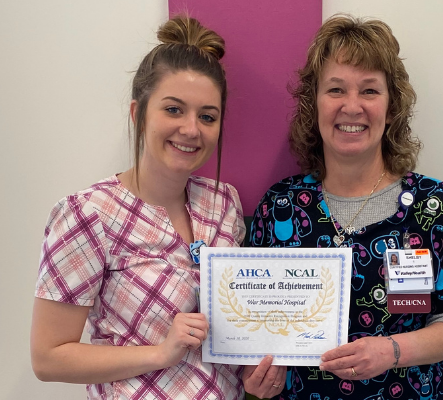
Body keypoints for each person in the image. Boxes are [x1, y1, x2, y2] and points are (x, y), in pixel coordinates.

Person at [31, 16, 285, 400]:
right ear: (138, 114)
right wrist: (159, 353)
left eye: (207, 116)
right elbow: (48, 358)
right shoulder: (89, 214)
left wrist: (253, 374)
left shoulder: (223, 204)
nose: (191, 129)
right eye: (173, 110)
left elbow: (235, 328)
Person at [249, 15, 443, 399]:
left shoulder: (436, 206)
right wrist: (256, 374)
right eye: (336, 89)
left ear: (392, 106)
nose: (352, 106)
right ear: (314, 103)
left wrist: (392, 351)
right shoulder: (282, 206)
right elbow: (252, 324)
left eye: (370, 91)